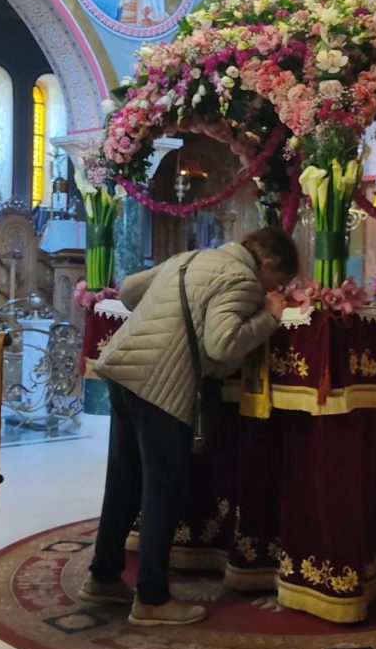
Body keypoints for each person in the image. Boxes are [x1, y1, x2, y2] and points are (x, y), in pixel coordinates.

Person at [82, 227, 299, 626]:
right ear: (267, 263)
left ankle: (103, 576)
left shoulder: (192, 256)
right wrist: (268, 317)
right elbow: (222, 345)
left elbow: (129, 291)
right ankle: (151, 599)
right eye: (278, 281)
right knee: (160, 492)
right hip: (162, 385)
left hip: (124, 369)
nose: (276, 289)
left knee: (124, 482)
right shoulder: (243, 280)